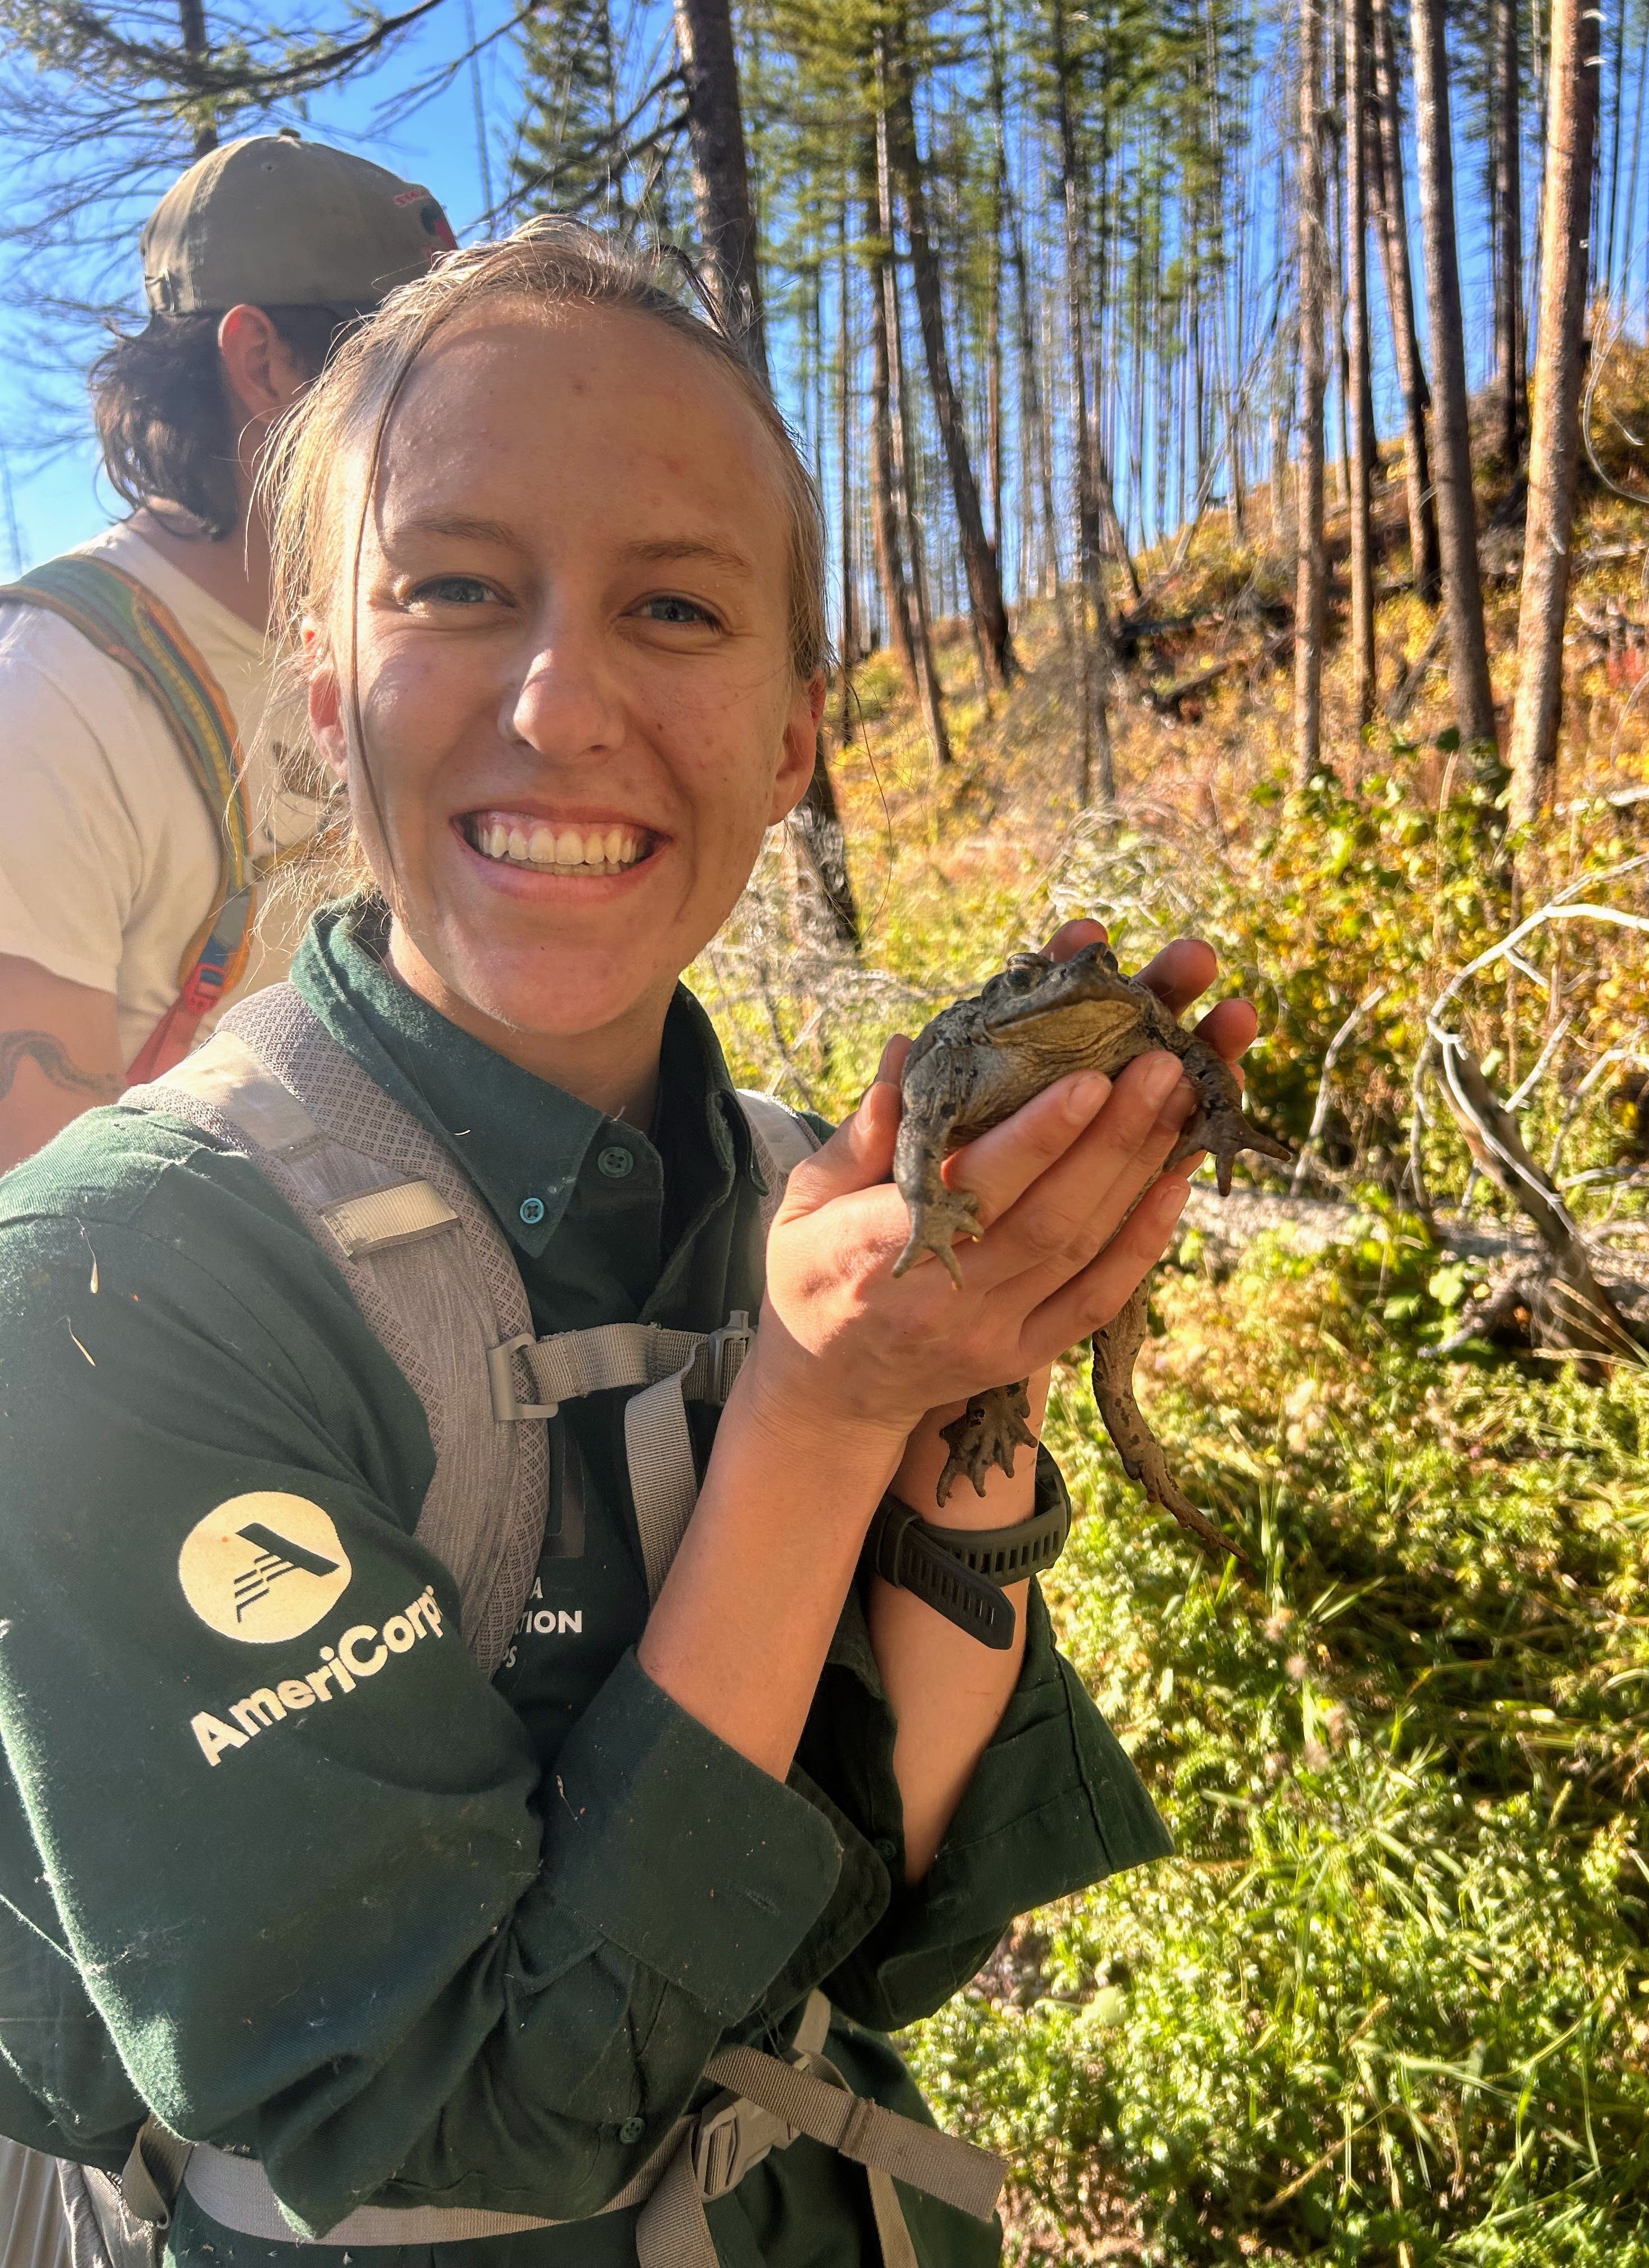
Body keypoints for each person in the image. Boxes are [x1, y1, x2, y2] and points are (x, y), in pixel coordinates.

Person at [0, 221, 1259, 2268]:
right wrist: (818, 1408)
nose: (562, 700)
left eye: (675, 605)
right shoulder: (113, 1290)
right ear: (324, 690)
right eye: (458, 588)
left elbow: (909, 1908)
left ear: (790, 731)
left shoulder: (787, 1187)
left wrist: (970, 1373)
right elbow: (463, 2116)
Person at [0, 131, 455, 1176]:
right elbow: (45, 1252)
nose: (469, 418)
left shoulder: (381, 647)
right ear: (261, 362)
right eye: (411, 367)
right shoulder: (53, 695)